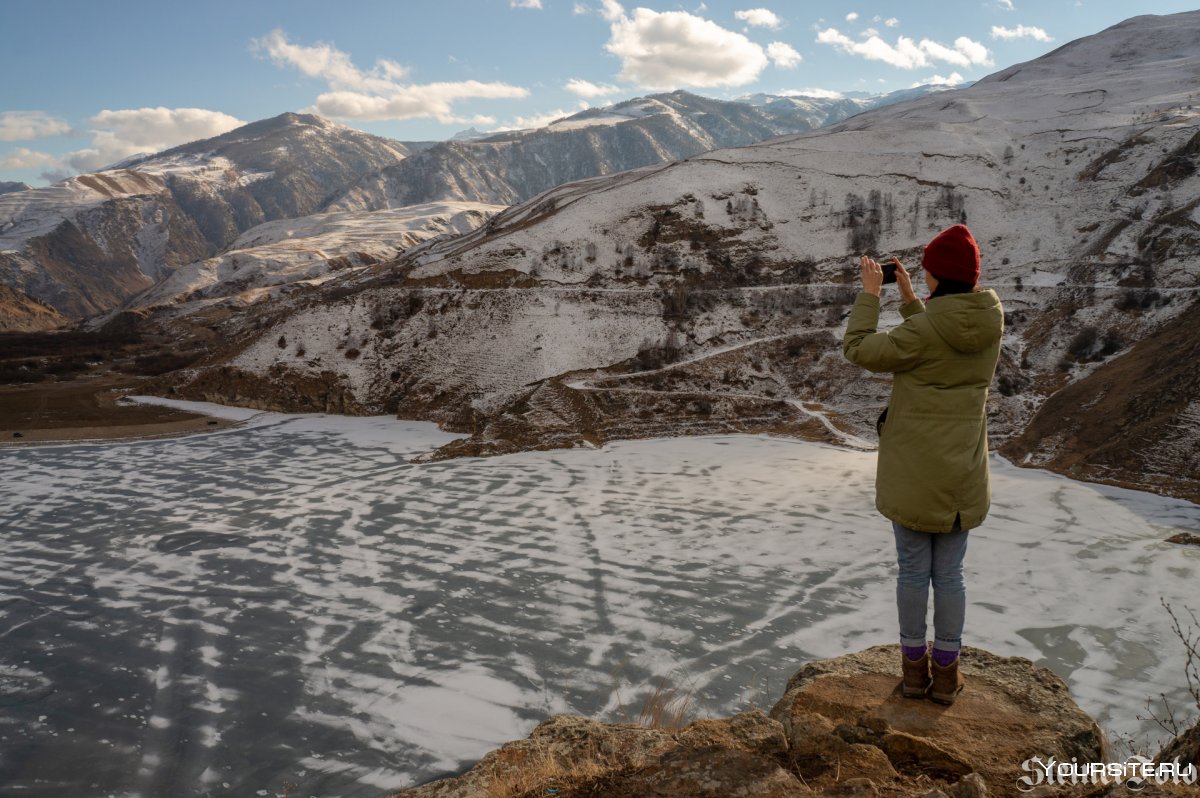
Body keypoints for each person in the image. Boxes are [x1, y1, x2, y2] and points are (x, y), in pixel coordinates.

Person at [841, 223, 1004, 705]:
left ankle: (914, 673)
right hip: (962, 476)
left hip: (914, 473)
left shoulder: (922, 331)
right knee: (950, 575)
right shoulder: (991, 321)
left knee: (913, 573)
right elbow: (942, 338)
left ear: (936, 276)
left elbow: (859, 349)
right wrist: (913, 299)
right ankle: (948, 674)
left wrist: (871, 296)